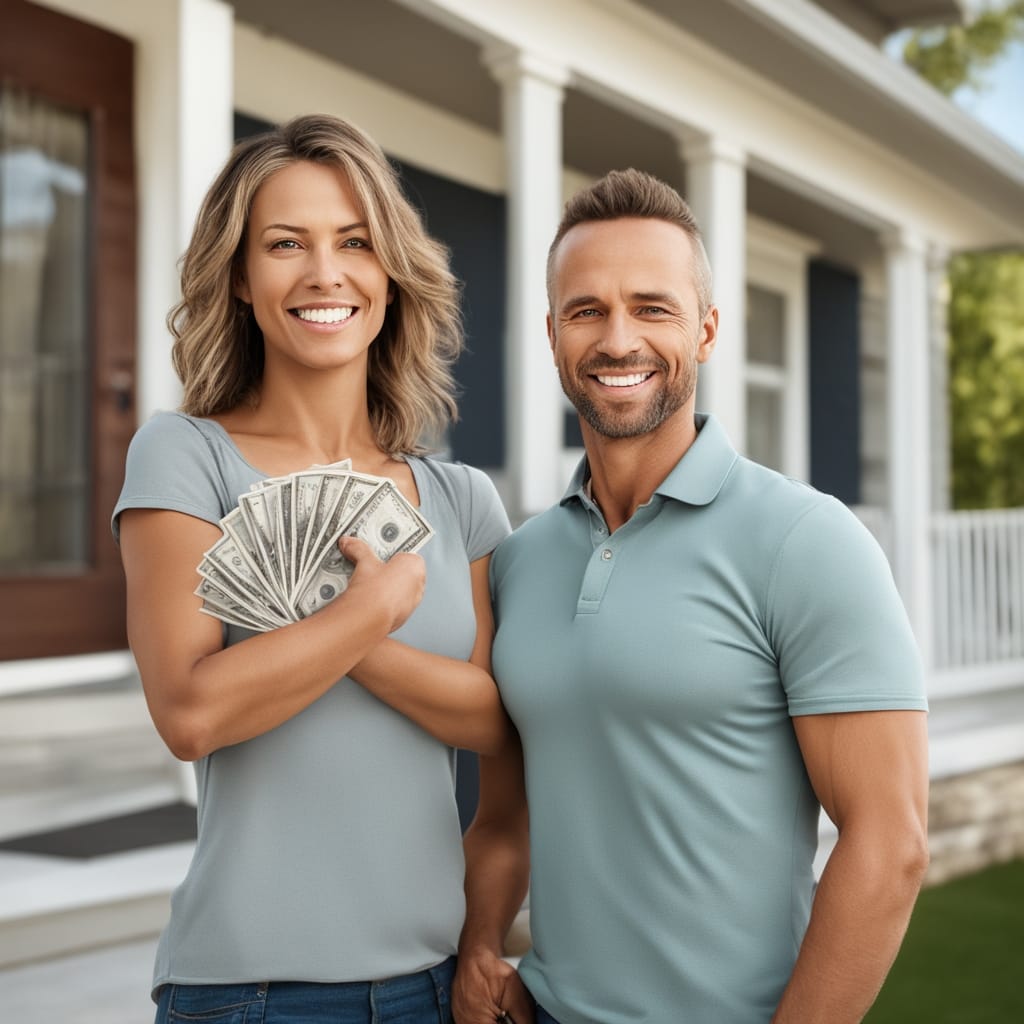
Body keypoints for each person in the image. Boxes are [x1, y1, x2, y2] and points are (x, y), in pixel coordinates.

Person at [453, 169, 930, 1024]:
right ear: (553, 335)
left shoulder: (805, 542)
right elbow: (503, 817)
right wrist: (482, 945)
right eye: (587, 310)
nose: (619, 338)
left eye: (653, 307)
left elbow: (889, 843)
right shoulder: (518, 562)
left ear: (706, 330)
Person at [113, 113, 512, 1023]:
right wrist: (363, 615)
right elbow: (191, 711)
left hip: (432, 985)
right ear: (243, 281)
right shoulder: (185, 457)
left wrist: (344, 636)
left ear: (389, 277)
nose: (324, 273)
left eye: (355, 242)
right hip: (249, 992)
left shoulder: (460, 502)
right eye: (285, 244)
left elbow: (496, 720)